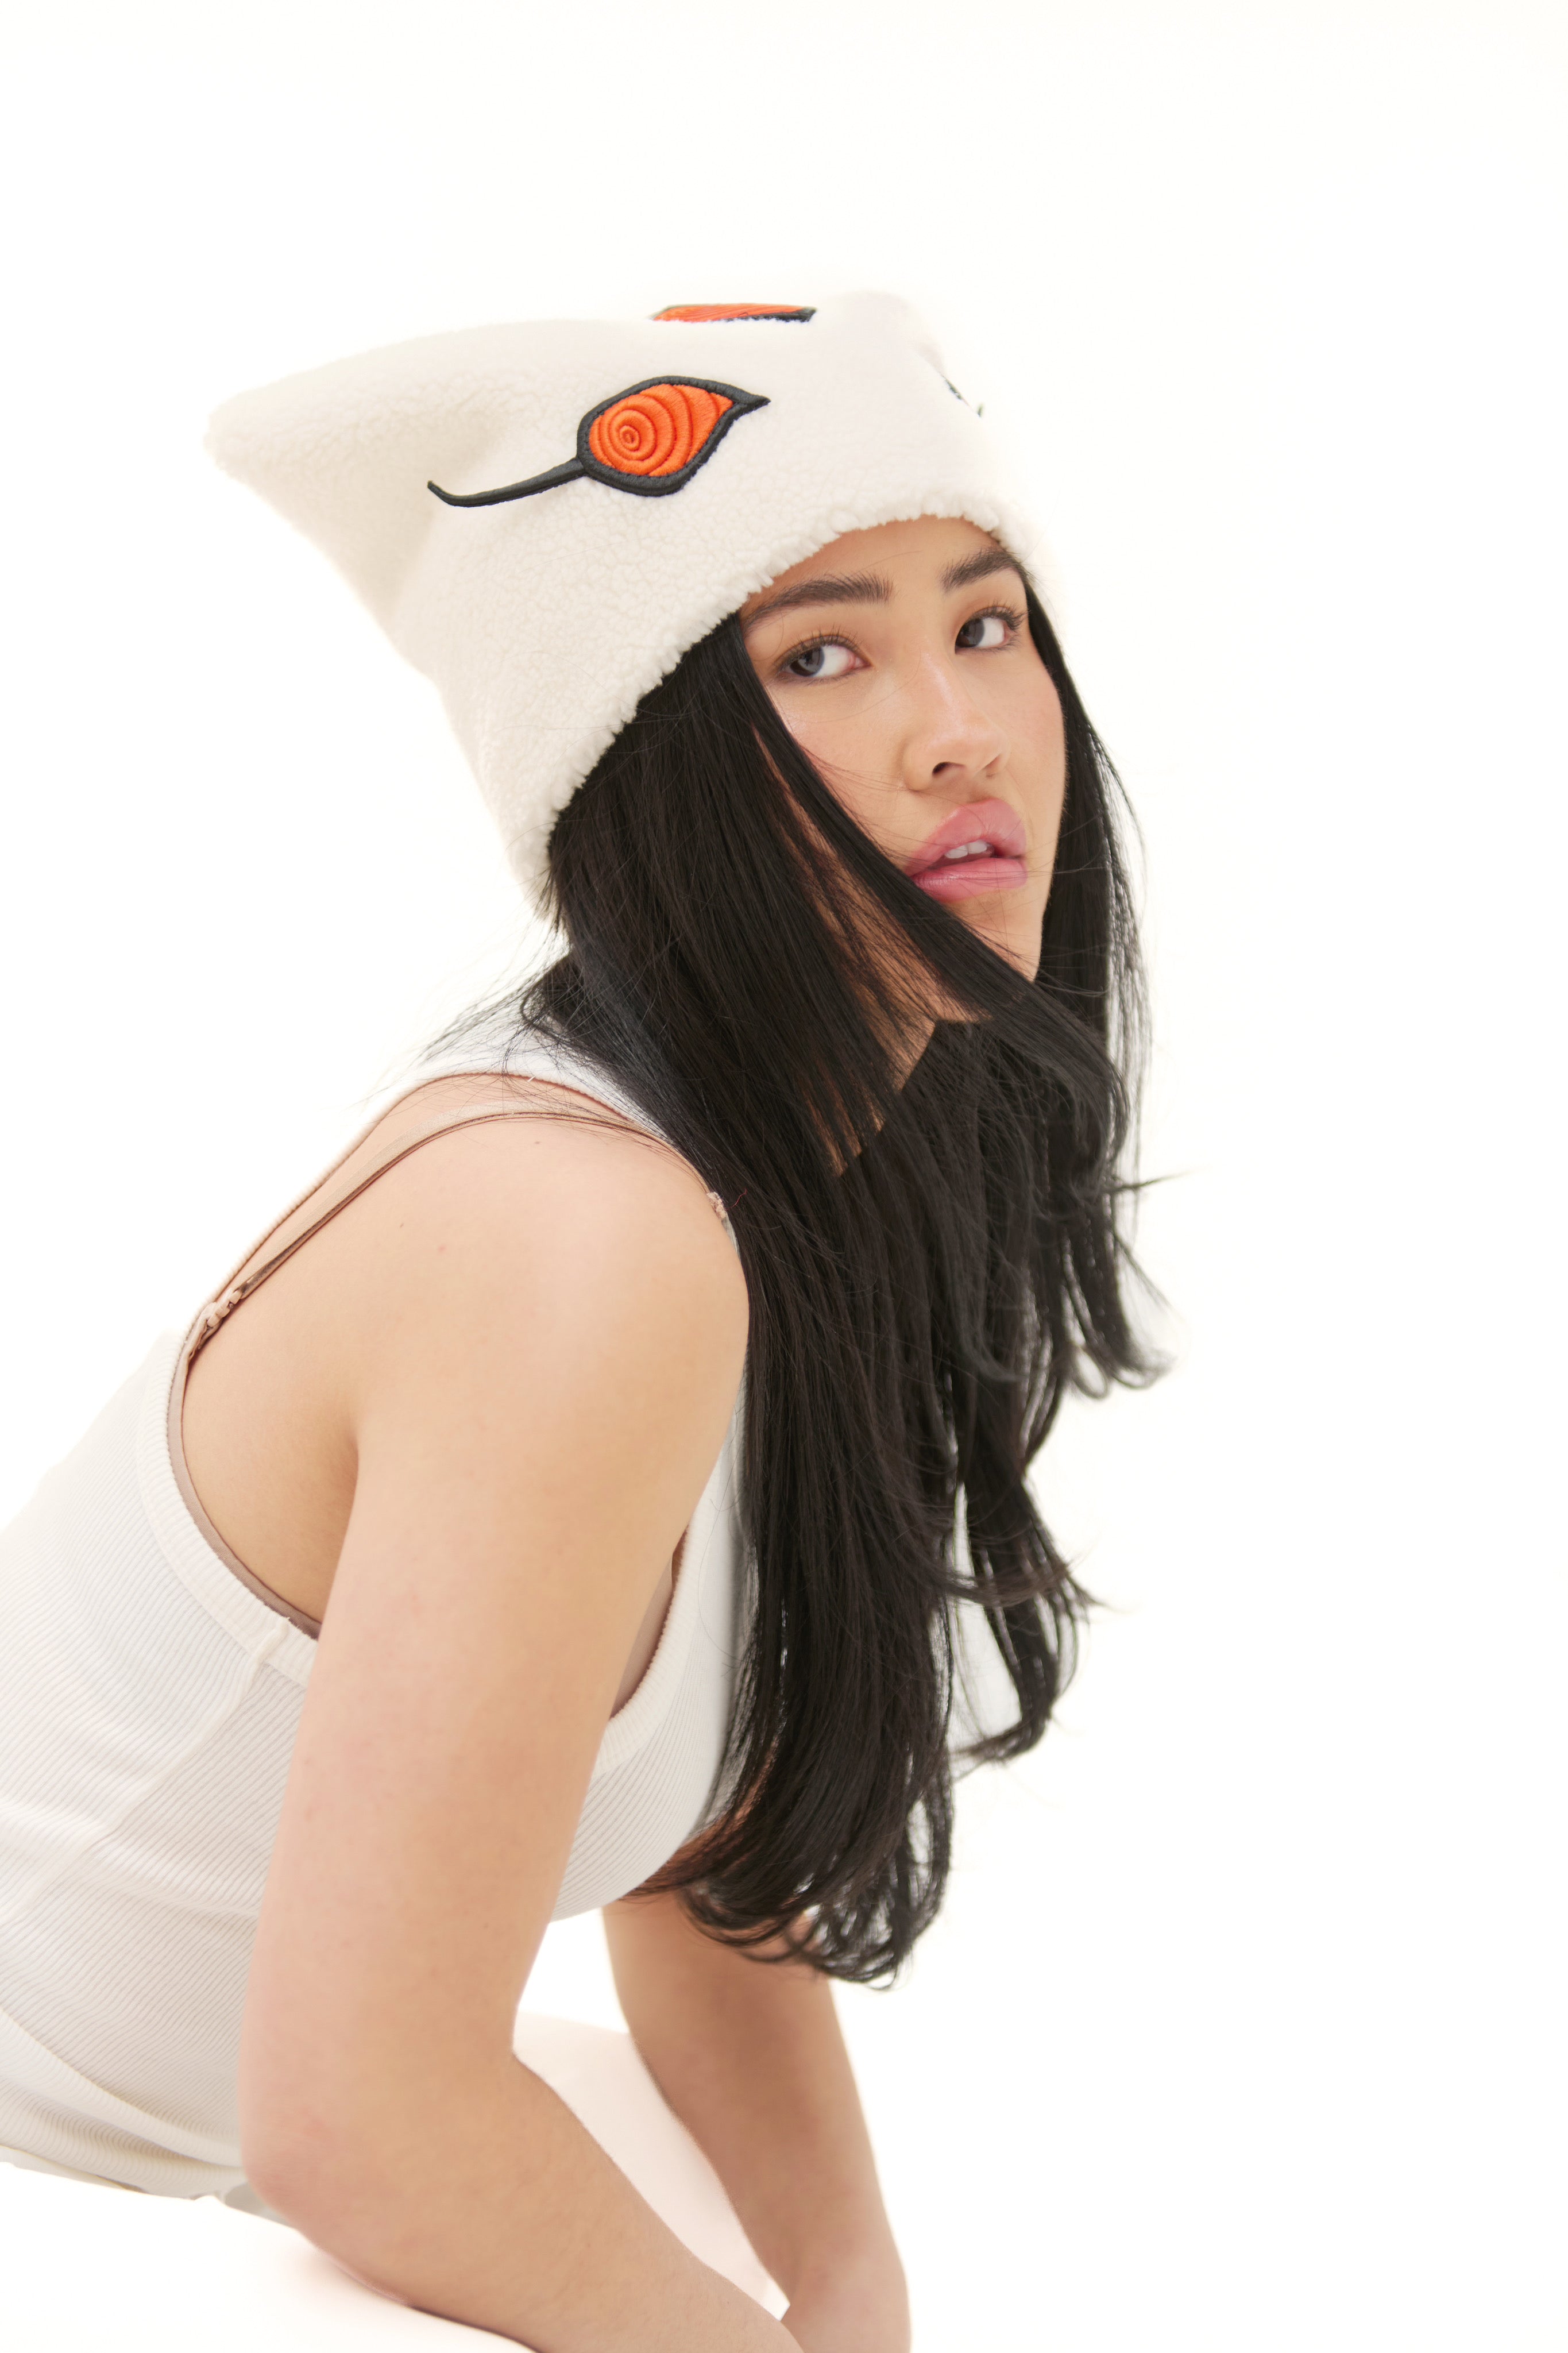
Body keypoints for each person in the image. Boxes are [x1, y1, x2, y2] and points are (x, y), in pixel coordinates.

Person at [0, 294, 1157, 2350]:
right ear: (645, 769)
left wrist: (851, 2300)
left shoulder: (799, 1181)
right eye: (819, 655)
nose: (958, 727)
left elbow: (711, 1857)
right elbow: (370, 2124)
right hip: (68, 2199)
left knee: (697, 2221)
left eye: (986, 624)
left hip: (195, 2170)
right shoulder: (573, 1231)